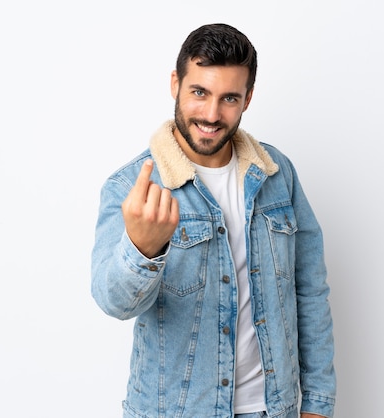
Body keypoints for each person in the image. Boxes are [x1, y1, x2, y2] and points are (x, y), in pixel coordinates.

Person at [91, 23, 336, 418]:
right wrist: (142, 250)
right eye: (199, 92)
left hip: (274, 409)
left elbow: (309, 293)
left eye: (229, 99)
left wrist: (319, 403)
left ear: (248, 99)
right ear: (176, 83)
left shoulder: (277, 175)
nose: (211, 114)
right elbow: (113, 302)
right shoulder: (132, 186)